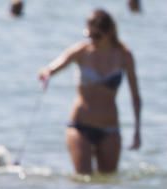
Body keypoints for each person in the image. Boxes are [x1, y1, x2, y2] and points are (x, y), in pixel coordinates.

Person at [38, 9, 142, 175]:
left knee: (108, 183)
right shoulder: (81, 51)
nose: (92, 40)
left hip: (110, 128)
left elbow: (135, 97)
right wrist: (45, 74)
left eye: (97, 36)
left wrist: (137, 131)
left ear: (109, 33)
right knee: (83, 180)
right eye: (89, 35)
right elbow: (52, 67)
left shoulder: (124, 56)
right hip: (80, 126)